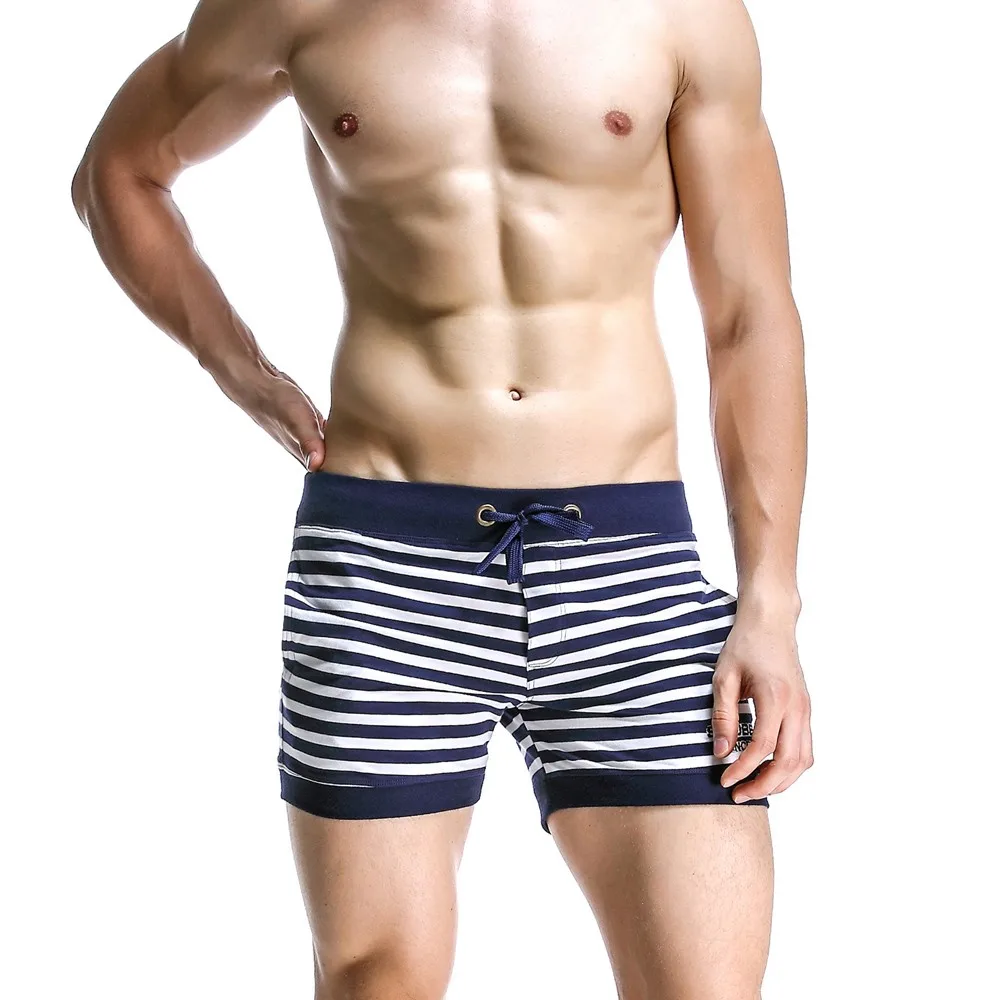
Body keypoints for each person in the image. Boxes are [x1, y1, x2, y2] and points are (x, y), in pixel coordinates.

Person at [71, 0, 811, 996]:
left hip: (628, 570)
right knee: (377, 982)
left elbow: (748, 314)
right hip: (384, 566)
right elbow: (117, 171)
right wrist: (238, 366)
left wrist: (770, 604)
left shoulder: (680, 14)